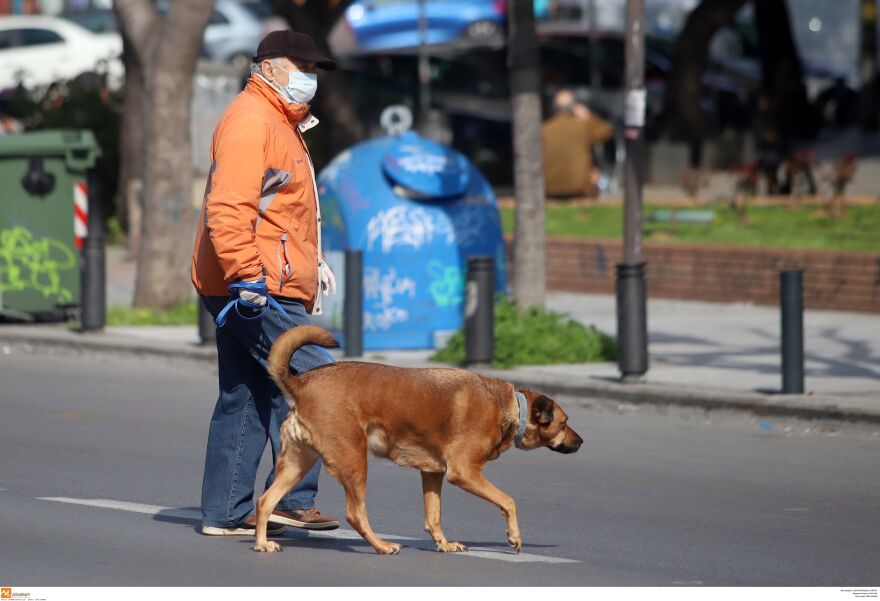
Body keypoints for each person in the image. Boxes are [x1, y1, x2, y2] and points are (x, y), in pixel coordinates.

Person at [191, 30, 340, 536]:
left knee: (247, 392)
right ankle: (293, 500)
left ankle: (225, 514)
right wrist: (248, 276)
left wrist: (309, 264)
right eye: (303, 66)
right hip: (253, 284)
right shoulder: (252, 121)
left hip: (253, 278)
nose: (310, 77)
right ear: (270, 67)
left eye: (314, 68)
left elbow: (279, 213)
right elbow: (228, 207)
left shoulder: (276, 121)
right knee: (319, 379)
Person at [541, 89, 613, 199]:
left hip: (549, 188)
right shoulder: (583, 126)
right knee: (594, 177)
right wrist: (588, 116)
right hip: (579, 188)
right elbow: (607, 131)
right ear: (574, 108)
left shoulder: (544, 129)